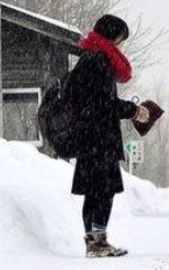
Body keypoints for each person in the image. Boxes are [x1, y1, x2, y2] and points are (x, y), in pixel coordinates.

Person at [69, 14, 149, 258]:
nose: (121, 46)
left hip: (87, 138)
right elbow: (105, 104)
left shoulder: (87, 59)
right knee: (103, 190)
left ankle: (93, 243)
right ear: (111, 37)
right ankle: (98, 242)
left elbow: (90, 101)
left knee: (94, 191)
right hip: (99, 139)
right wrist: (135, 110)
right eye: (120, 40)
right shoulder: (99, 61)